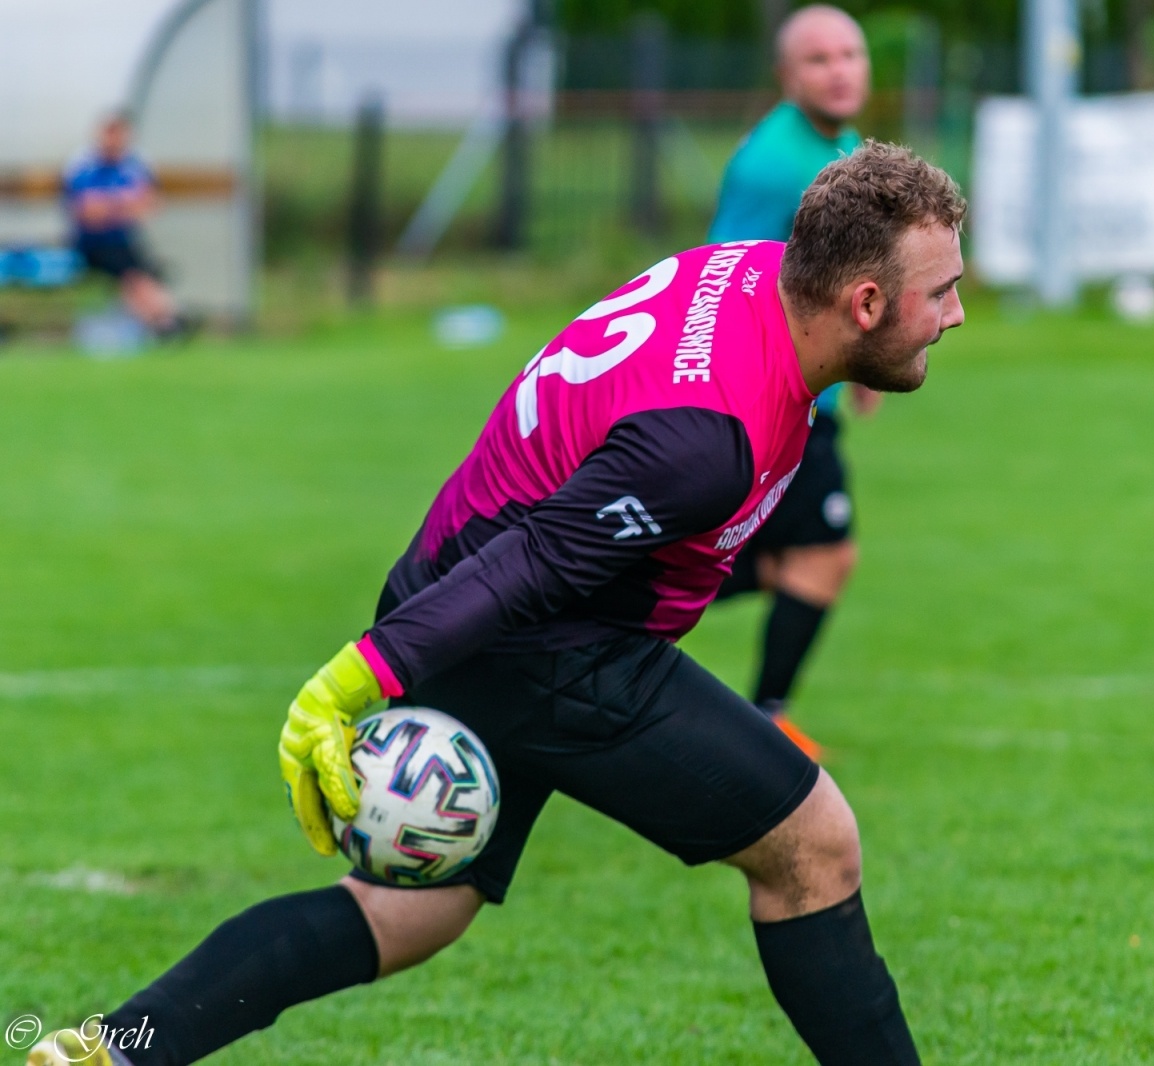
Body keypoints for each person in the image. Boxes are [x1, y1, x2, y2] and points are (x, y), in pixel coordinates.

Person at [28, 142, 966, 1066]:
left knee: (409, 908)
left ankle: (114, 1051)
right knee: (814, 848)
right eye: (943, 293)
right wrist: (353, 677)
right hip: (544, 638)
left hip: (463, 590)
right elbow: (540, 559)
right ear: (864, 301)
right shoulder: (704, 440)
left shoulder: (750, 272)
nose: (956, 315)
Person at [708, 5, 879, 759]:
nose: (839, 69)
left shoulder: (834, 143)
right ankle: (763, 720)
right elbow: (727, 279)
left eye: (850, 53)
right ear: (786, 77)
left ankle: (586, 597)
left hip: (808, 396)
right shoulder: (775, 165)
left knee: (789, 559)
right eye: (819, 59)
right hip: (776, 401)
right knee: (821, 555)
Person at [62, 114, 185, 338]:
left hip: (124, 241)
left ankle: (163, 322)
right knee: (135, 277)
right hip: (92, 245)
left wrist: (108, 204)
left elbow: (151, 204)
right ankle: (163, 324)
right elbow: (88, 213)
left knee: (149, 274)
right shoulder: (84, 165)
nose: (114, 140)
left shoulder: (135, 164)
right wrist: (124, 202)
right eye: (110, 134)